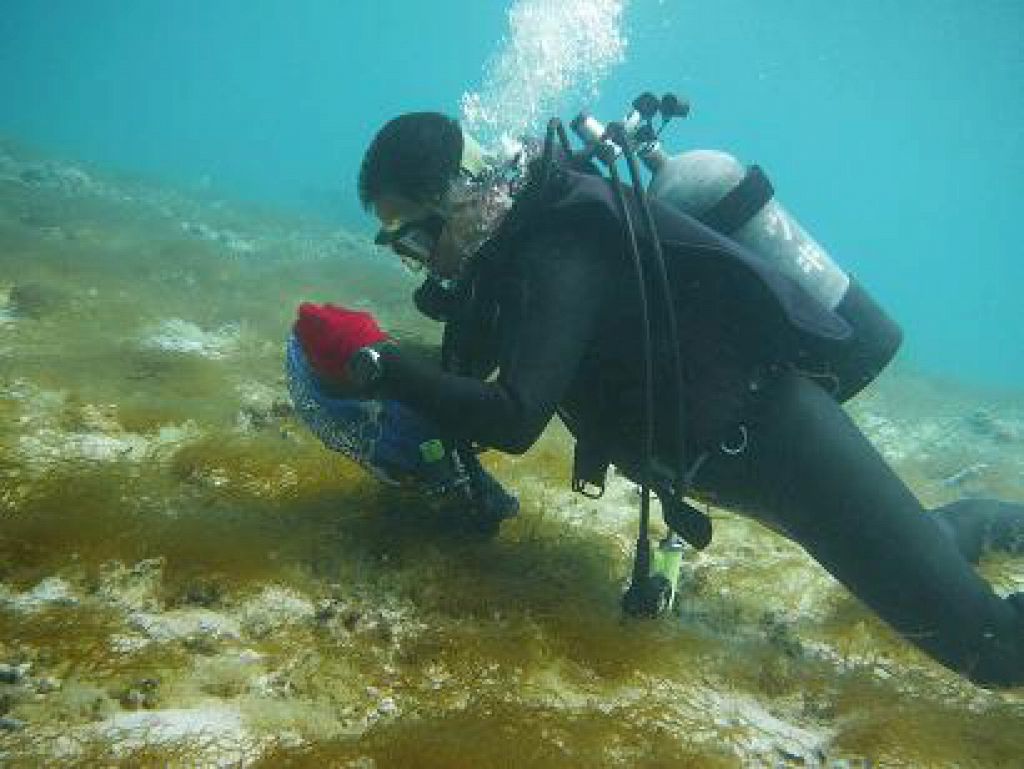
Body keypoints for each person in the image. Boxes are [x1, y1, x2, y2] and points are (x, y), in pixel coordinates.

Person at [296, 111, 1024, 688]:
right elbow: (466, 374)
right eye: (402, 251)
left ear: (456, 198)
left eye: (414, 241)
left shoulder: (560, 247)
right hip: (730, 464)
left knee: (993, 652)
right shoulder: (505, 260)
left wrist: (379, 363)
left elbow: (515, 418)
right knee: (926, 542)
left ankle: (991, 542)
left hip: (779, 440)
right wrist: (366, 362)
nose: (419, 262)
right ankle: (995, 522)